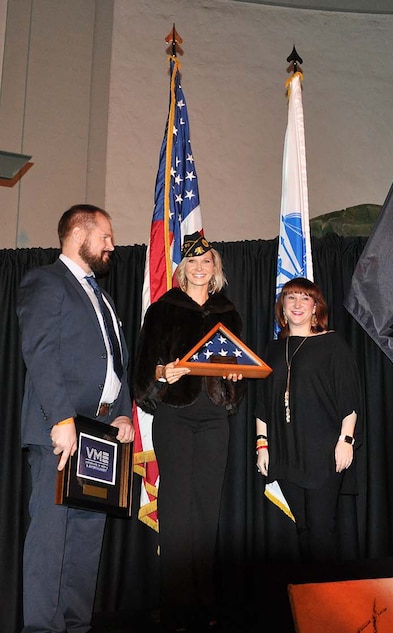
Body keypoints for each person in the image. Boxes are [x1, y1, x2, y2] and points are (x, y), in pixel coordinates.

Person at [17, 204, 135, 633]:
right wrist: (62, 418)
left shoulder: (102, 297)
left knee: (86, 540)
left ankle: (75, 627)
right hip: (61, 431)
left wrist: (122, 415)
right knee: (51, 539)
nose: (111, 245)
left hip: (100, 433)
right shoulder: (46, 282)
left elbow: (115, 364)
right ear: (78, 233)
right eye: (105, 236)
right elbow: (41, 351)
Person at [133, 232, 246, 631]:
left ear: (216, 269)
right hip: (175, 418)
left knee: (207, 511)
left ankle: (205, 603)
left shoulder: (228, 311)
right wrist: (164, 374)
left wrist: (235, 376)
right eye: (193, 264)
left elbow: (239, 368)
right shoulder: (162, 310)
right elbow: (143, 374)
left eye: (207, 263)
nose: (200, 269)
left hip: (215, 419)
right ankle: (176, 607)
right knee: (178, 511)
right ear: (182, 270)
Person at [255, 278, 361, 562]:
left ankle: (326, 601)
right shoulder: (272, 349)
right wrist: (262, 444)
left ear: (316, 307)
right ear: (283, 307)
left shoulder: (332, 343)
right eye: (291, 298)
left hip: (323, 452)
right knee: (303, 529)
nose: (298, 304)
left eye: (305, 298)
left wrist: (346, 440)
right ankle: (308, 597)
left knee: (320, 532)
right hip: (285, 452)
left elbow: (349, 399)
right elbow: (262, 403)